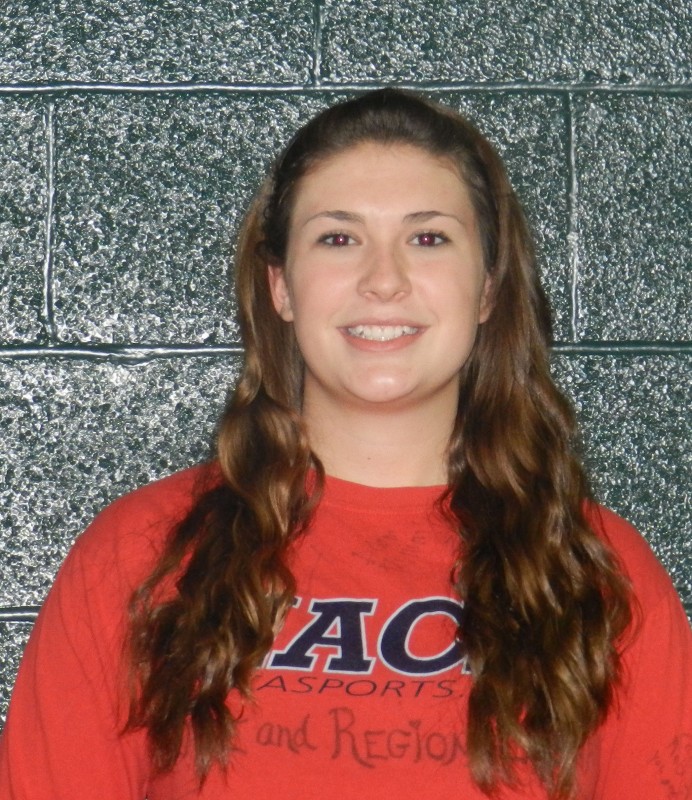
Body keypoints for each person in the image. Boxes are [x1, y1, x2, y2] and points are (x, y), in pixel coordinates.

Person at [0, 88, 690, 800]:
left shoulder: (598, 576)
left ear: (487, 289)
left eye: (428, 238)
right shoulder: (141, 556)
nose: (383, 280)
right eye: (338, 238)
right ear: (281, 286)